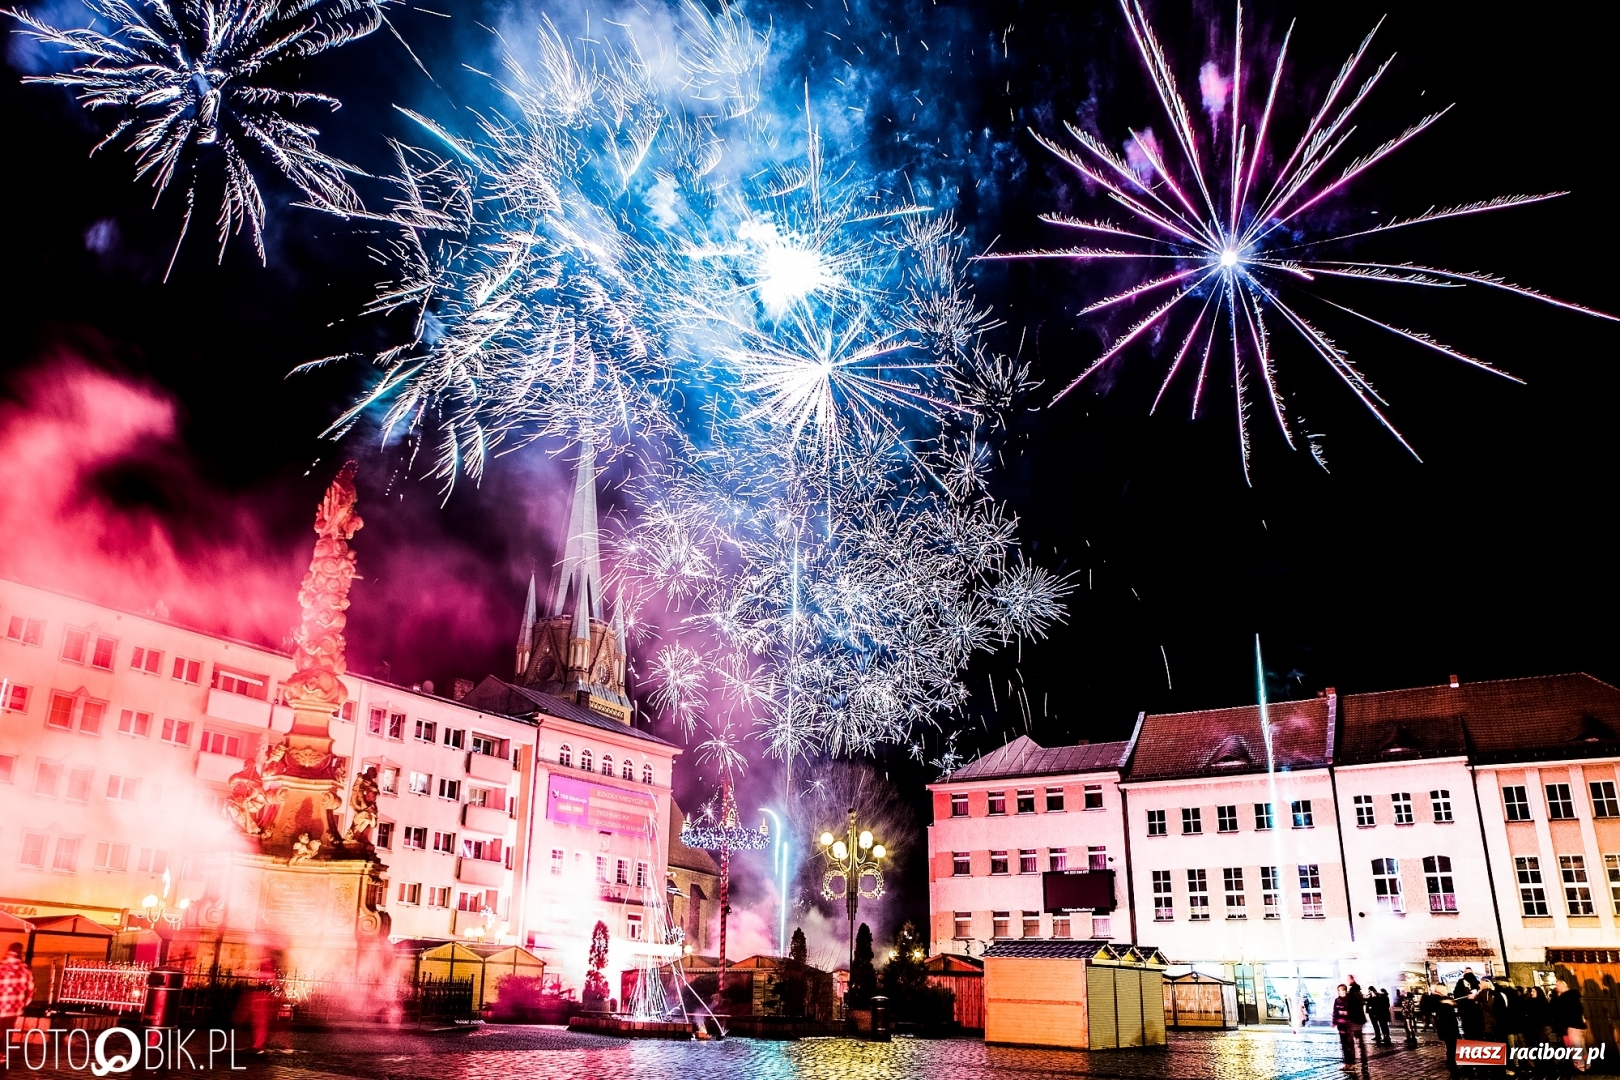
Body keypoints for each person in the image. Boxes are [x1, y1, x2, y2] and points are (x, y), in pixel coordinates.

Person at [1550, 978, 1589, 1074]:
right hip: (1580, 1024)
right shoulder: (1575, 996)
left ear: (1562, 986)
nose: (1556, 988)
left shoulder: (1564, 998)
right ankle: (1587, 1063)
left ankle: (1580, 1066)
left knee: (1575, 1046)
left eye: (1557, 986)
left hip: (1572, 1025)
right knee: (1582, 1046)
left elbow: (1562, 1013)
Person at [0, 943, 32, 1036]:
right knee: (8, 1030)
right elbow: (30, 990)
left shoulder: (1, 967)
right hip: (15, 1007)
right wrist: (23, 1003)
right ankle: (5, 1045)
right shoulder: (25, 969)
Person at [1434, 995, 1463, 1077]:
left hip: (1448, 1033)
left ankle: (1453, 1067)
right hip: (1450, 1033)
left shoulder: (1443, 1008)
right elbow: (1450, 1022)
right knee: (1451, 1050)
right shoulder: (1446, 1008)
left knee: (1451, 1050)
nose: (1453, 1002)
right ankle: (1453, 1068)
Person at [1344, 976, 1367, 1063]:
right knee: (1360, 1042)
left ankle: (1351, 1062)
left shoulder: (1352, 993)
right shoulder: (1358, 992)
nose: (1347, 981)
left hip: (1353, 1019)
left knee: (1350, 1042)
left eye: (1348, 979)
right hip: (1359, 1019)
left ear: (1352, 979)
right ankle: (1364, 1060)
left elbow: (1350, 1006)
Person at [1332, 984, 1356, 1068]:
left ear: (1345, 990)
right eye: (1338, 990)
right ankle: (1346, 1063)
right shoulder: (1337, 1000)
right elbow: (1335, 1011)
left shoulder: (1349, 1000)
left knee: (1350, 1044)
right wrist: (1334, 1021)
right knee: (1343, 1044)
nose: (1339, 992)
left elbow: (1352, 1012)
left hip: (1348, 1025)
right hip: (1340, 1025)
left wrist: (1344, 1014)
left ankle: (1352, 1063)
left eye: (1341, 990)